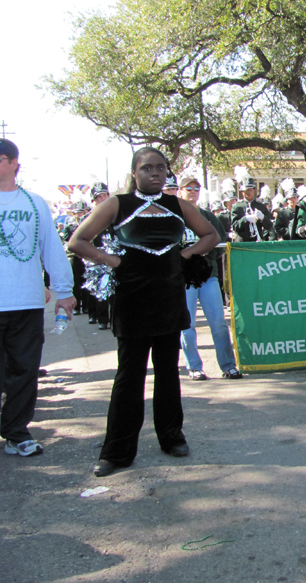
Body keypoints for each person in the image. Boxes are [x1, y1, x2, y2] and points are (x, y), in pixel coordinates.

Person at [69, 147, 219, 477]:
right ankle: (118, 450)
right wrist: (114, 261)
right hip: (132, 300)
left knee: (168, 371)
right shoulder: (117, 204)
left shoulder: (177, 205)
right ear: (134, 173)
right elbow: (77, 241)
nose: (155, 173)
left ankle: (171, 437)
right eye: (147, 168)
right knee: (130, 375)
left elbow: (211, 235)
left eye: (161, 168)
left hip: (168, 298)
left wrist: (186, 255)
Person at [0, 139, 76, 457]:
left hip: (25, 302)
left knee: (25, 369)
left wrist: (64, 291)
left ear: (14, 163)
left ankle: (16, 431)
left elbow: (52, 249)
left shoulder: (34, 204)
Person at [177, 177, 242, 381]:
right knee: (187, 324)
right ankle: (194, 367)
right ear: (180, 191)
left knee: (218, 322)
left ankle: (228, 366)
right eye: (189, 188)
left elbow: (220, 240)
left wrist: (206, 255)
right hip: (184, 278)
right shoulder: (174, 217)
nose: (193, 191)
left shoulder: (206, 215)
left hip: (208, 276)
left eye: (197, 188)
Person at [86, 183, 113, 330]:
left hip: (114, 257)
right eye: (98, 197)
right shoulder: (90, 217)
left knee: (116, 292)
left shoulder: (116, 214)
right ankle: (101, 318)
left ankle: (115, 320)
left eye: (104, 195)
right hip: (97, 257)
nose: (102, 199)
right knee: (100, 291)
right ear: (94, 200)